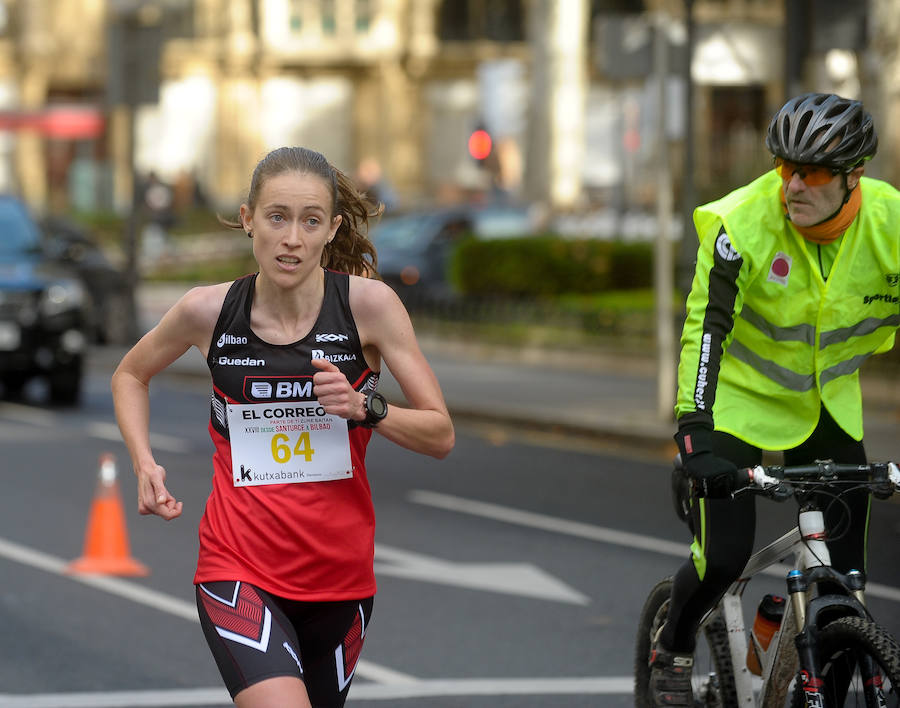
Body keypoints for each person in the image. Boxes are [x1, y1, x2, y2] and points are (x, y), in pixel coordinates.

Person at [111, 146, 455, 708]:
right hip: (237, 568)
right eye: (277, 217)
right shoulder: (208, 312)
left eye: (310, 220)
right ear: (248, 219)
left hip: (341, 583)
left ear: (331, 229)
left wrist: (368, 407)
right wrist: (143, 461)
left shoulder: (369, 308)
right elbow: (130, 374)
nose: (292, 237)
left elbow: (441, 434)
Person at [648, 92, 900, 707]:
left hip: (827, 405)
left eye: (812, 174)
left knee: (846, 587)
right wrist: (695, 436)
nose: (793, 186)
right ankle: (673, 646)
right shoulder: (742, 226)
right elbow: (705, 334)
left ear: (852, 178)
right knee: (724, 557)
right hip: (736, 404)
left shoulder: (892, 225)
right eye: (787, 169)